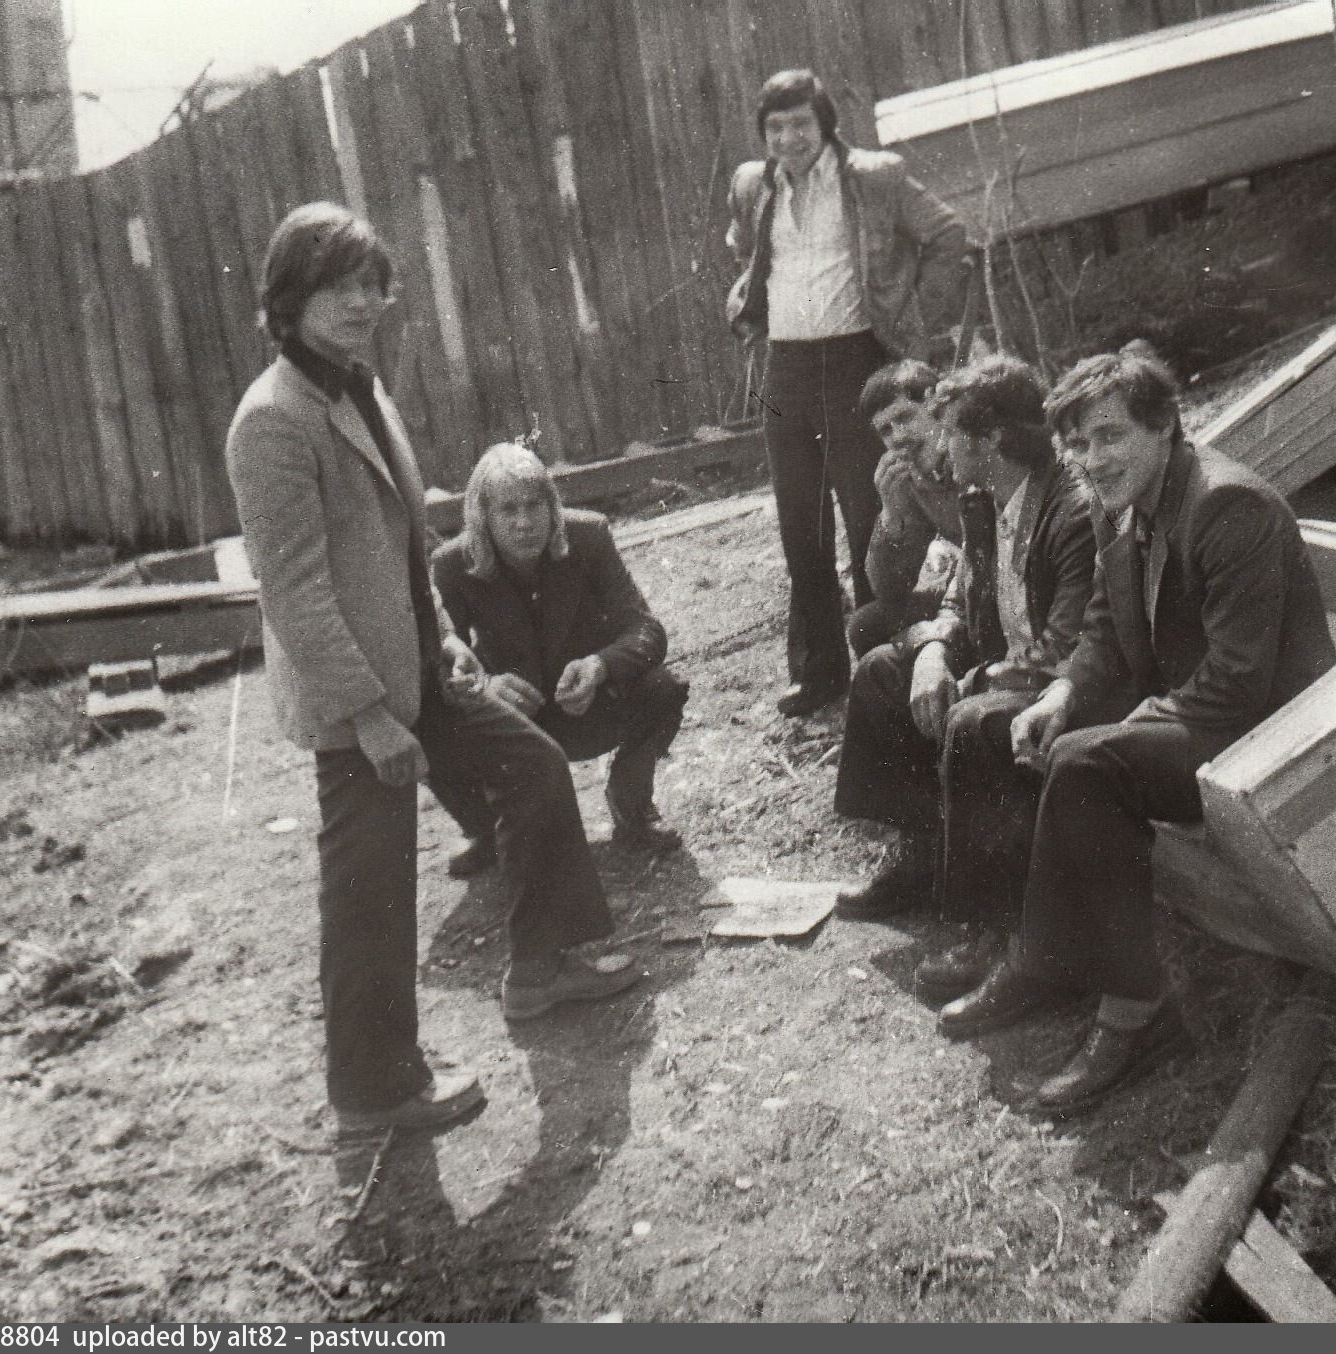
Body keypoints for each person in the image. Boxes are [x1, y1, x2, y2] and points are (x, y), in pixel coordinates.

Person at [224, 203, 641, 1137]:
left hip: (421, 665)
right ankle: (372, 1091)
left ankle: (542, 966)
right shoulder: (273, 421)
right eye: (339, 288)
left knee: (533, 767)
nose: (362, 303)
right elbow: (294, 593)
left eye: (373, 285)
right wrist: (370, 715)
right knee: (370, 888)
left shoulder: (359, 391)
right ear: (289, 299)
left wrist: (447, 634)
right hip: (357, 697)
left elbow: (404, 548)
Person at [933, 343, 1336, 1113]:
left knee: (1088, 764)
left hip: (1269, 729)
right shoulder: (1122, 502)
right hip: (1194, 709)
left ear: (1163, 426)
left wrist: (1122, 725)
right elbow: (1103, 627)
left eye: (1111, 435)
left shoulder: (1227, 505)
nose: (1093, 459)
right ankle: (1031, 951)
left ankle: (1135, 1012)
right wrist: (1059, 696)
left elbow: (1239, 682)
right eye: (1079, 444)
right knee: (998, 726)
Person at [726, 68, 974, 719]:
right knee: (800, 527)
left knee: (869, 513)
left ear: (825, 125)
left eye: (800, 125)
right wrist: (748, 304)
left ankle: (884, 663)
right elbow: (748, 253)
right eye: (775, 128)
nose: (788, 139)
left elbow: (948, 233)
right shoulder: (754, 185)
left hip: (855, 361)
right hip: (786, 368)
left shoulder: (873, 177)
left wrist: (916, 322)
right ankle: (819, 674)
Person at [831, 353, 1095, 923]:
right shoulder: (984, 495)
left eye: (948, 430)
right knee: (882, 669)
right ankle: (922, 852)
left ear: (991, 438)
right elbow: (958, 590)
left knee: (971, 715)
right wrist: (934, 649)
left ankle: (997, 916)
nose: (942, 448)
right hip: (1007, 656)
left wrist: (972, 677)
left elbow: (1067, 645)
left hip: (1056, 682)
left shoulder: (1071, 507)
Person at [430, 442, 689, 859]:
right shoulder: (452, 563)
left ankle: (631, 804)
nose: (524, 523)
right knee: (428, 721)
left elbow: (646, 629)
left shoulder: (588, 535)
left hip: (586, 705)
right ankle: (485, 828)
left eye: (534, 505)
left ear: (552, 505)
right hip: (513, 721)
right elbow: (440, 663)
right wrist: (485, 688)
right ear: (483, 517)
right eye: (508, 510)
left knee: (663, 688)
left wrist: (599, 666)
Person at [846, 358, 962, 659]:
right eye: (886, 430)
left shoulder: (971, 449)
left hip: (999, 584)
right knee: (866, 625)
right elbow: (890, 591)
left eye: (906, 417)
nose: (898, 437)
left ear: (936, 408)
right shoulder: (910, 479)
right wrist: (891, 516)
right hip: (966, 587)